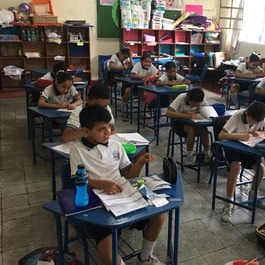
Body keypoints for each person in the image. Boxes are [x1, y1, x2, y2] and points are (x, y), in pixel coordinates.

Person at [70, 105, 164, 265]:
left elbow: (128, 174)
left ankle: (145, 257)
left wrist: (139, 162)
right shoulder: (77, 150)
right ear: (86, 130)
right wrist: (102, 183)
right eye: (101, 129)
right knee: (108, 257)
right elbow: (77, 180)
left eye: (109, 127)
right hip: (96, 201)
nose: (108, 132)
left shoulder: (115, 145)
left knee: (159, 215)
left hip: (123, 194)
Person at [218, 101, 265, 223]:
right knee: (236, 167)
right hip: (233, 147)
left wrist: (264, 133)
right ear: (246, 112)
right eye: (251, 120)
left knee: (261, 168)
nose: (253, 124)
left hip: (249, 147)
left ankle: (252, 196)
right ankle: (229, 203)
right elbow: (221, 135)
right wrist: (240, 135)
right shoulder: (237, 116)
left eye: (256, 122)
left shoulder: (261, 118)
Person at [166, 88, 212, 166]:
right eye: (193, 104)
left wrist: (193, 112)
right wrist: (185, 115)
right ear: (188, 98)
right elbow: (168, 112)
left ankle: (206, 154)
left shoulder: (201, 98)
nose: (195, 106)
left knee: (204, 129)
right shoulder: (181, 97)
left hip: (196, 121)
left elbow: (205, 109)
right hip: (179, 123)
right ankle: (189, 156)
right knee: (192, 129)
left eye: (197, 105)